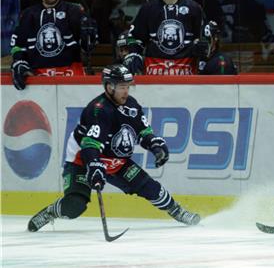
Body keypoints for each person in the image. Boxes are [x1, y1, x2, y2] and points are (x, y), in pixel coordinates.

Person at [27, 64, 201, 233]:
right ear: (109, 87)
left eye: (128, 86)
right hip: (83, 160)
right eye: (122, 87)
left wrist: (156, 145)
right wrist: (94, 165)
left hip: (116, 160)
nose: (126, 91)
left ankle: (178, 212)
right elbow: (90, 145)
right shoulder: (98, 110)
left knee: (151, 188)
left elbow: (142, 131)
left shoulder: (131, 105)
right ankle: (52, 211)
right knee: (74, 206)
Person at [10, 0, 97, 90]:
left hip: (70, 72)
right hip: (37, 73)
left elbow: (87, 45)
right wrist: (19, 61)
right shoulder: (28, 15)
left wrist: (89, 38)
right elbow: (17, 45)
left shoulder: (74, 11)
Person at [124, 0, 204, 75]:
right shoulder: (148, 9)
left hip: (186, 69)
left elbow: (201, 37)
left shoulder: (193, 8)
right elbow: (135, 37)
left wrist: (200, 46)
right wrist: (134, 53)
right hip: (155, 68)